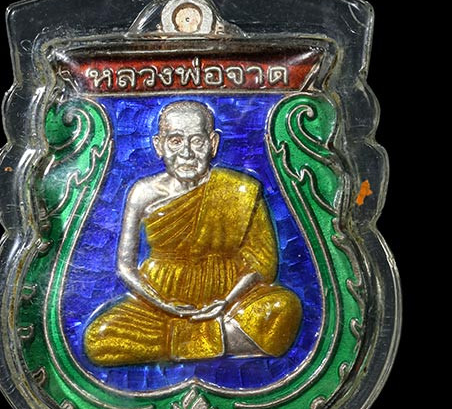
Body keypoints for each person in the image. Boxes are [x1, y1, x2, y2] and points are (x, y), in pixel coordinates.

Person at [84, 100, 302, 365]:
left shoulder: (241, 190)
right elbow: (125, 267)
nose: (187, 152)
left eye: (197, 141)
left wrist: (226, 301)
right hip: (160, 301)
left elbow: (262, 264)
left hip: (229, 296)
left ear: (213, 143)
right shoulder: (143, 193)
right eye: (175, 141)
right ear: (159, 145)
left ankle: (181, 341)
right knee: (100, 339)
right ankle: (211, 338)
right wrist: (163, 305)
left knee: (283, 309)